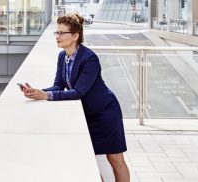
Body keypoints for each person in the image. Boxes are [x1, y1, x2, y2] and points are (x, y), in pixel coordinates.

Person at [19, 13, 130, 182]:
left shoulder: (89, 58)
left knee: (115, 159)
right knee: (89, 160)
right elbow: (58, 86)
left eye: (62, 33)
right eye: (57, 32)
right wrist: (37, 92)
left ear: (76, 36)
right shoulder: (62, 56)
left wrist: (46, 96)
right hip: (88, 115)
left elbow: (78, 92)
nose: (57, 36)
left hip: (105, 112)